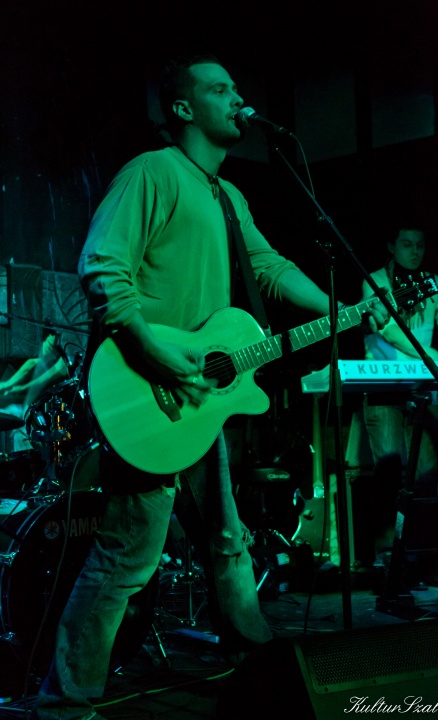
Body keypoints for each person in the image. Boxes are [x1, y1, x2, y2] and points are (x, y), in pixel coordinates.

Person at [32, 53, 388, 720]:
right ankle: (63, 706)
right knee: (128, 556)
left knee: (228, 542)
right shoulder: (152, 172)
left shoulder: (228, 196)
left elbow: (268, 266)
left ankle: (266, 678)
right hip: (147, 393)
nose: (236, 98)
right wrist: (157, 356)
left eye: (235, 88)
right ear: (184, 107)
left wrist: (344, 309)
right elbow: (102, 266)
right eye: (219, 89)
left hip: (196, 406)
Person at [360, 223, 438, 554]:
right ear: (391, 246)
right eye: (406, 244)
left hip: (422, 388)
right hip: (383, 390)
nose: (415, 251)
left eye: (420, 244)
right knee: (390, 475)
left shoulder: (436, 284)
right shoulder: (374, 281)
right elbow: (389, 332)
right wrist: (436, 356)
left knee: (425, 477)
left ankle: (418, 556)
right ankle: (389, 559)